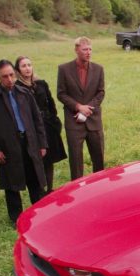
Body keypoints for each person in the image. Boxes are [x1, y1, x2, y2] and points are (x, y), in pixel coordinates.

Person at [0, 60, 48, 227]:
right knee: (12, 183)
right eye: (5, 77)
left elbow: (37, 120)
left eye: (11, 75)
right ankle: (16, 218)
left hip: (29, 143)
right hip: (7, 147)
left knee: (35, 180)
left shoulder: (24, 93)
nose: (9, 80)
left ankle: (40, 213)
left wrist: (42, 143)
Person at [15, 55, 67, 193]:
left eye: (29, 65)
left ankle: (49, 189)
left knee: (49, 159)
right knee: (36, 160)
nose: (27, 68)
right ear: (18, 70)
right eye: (23, 66)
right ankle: (39, 190)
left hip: (47, 125)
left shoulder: (41, 84)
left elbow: (51, 104)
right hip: (30, 128)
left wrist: (54, 122)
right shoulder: (17, 88)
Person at [57, 36, 105, 180]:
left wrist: (88, 108)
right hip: (74, 122)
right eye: (85, 49)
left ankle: (99, 187)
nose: (88, 52)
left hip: (93, 120)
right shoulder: (64, 69)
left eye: (90, 49)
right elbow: (61, 94)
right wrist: (78, 107)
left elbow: (101, 92)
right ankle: (77, 190)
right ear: (76, 50)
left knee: (98, 158)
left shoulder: (98, 69)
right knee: (76, 161)